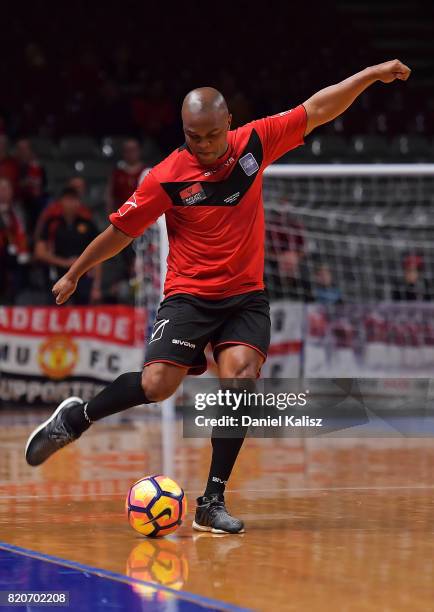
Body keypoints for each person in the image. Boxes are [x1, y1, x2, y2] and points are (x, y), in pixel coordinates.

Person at [25, 59, 411, 533]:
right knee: (157, 386)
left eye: (211, 135)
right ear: (183, 131)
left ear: (229, 122)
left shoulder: (256, 142)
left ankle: (212, 500)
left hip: (245, 297)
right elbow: (120, 231)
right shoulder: (167, 175)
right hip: (188, 295)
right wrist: (76, 272)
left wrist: (371, 74)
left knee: (240, 379)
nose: (204, 145)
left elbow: (319, 107)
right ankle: (77, 417)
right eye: (193, 136)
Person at [34, 187, 101, 305]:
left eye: (74, 200)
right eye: (68, 200)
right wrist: (65, 262)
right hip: (58, 275)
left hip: (83, 275)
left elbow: (98, 253)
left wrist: (96, 287)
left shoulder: (87, 223)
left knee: (83, 312)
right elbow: (40, 252)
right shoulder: (52, 223)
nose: (71, 204)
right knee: (57, 309)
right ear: (61, 201)